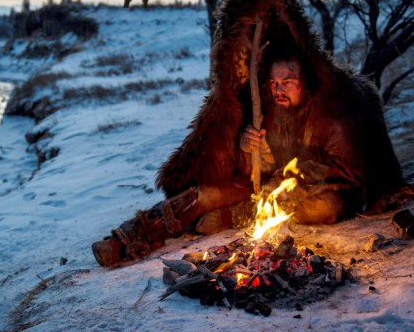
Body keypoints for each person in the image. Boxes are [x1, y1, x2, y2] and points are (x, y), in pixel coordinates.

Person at [92, 52, 365, 268]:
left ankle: (232, 217)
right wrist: (248, 149)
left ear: (304, 84)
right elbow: (250, 173)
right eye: (274, 83)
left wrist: (290, 181)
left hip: (315, 191)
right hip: (262, 189)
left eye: (288, 82)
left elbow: (345, 171)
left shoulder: (329, 115)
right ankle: (129, 237)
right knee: (201, 196)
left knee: (325, 208)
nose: (279, 89)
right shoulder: (267, 111)